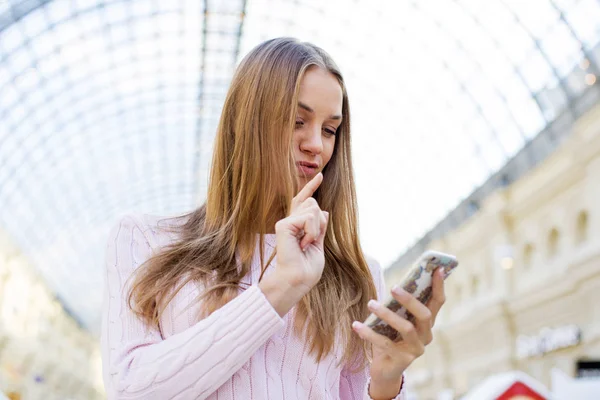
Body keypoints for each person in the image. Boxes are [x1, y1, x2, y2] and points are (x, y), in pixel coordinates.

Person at [101, 37, 446, 400]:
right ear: (247, 123)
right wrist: (279, 288)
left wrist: (387, 383)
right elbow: (130, 390)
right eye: (298, 121)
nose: (317, 144)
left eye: (330, 130)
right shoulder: (146, 241)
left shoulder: (357, 275)